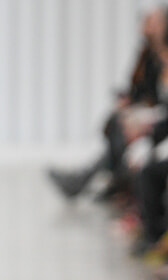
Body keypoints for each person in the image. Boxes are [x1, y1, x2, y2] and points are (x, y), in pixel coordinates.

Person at [48, 6, 167, 200]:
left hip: (157, 117)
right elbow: (140, 89)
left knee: (123, 129)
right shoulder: (148, 55)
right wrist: (129, 102)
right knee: (116, 123)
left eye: (152, 22)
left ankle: (104, 183)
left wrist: (145, 116)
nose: (146, 27)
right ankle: (115, 184)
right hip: (151, 113)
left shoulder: (159, 57)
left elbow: (159, 99)